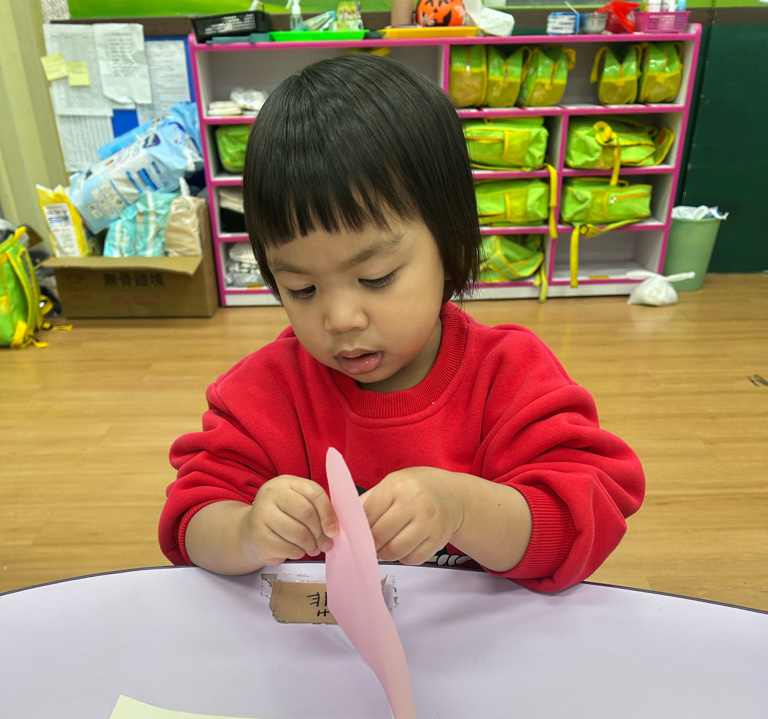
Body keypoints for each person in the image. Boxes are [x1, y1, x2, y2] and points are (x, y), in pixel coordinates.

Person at [159, 54, 644, 593]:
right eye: (301, 289)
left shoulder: (509, 377)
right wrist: (245, 532)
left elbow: (583, 520)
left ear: (451, 248)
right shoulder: (265, 392)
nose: (340, 319)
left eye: (377, 278)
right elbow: (191, 519)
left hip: (471, 636)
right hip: (320, 635)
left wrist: (463, 508)